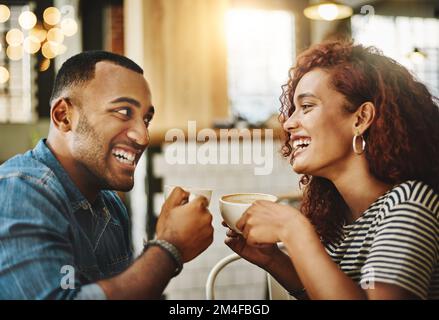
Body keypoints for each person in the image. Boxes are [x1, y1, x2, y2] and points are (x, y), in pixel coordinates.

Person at [225, 41, 439, 300]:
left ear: (360, 119)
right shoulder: (337, 217)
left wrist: (294, 229)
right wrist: (275, 262)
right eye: (293, 109)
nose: (289, 123)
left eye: (307, 106)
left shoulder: (409, 203)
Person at [0, 51, 214, 299]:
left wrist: (164, 242)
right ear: (63, 116)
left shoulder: (111, 206)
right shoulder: (18, 191)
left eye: (146, 119)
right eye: (123, 112)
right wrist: (169, 247)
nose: (143, 137)